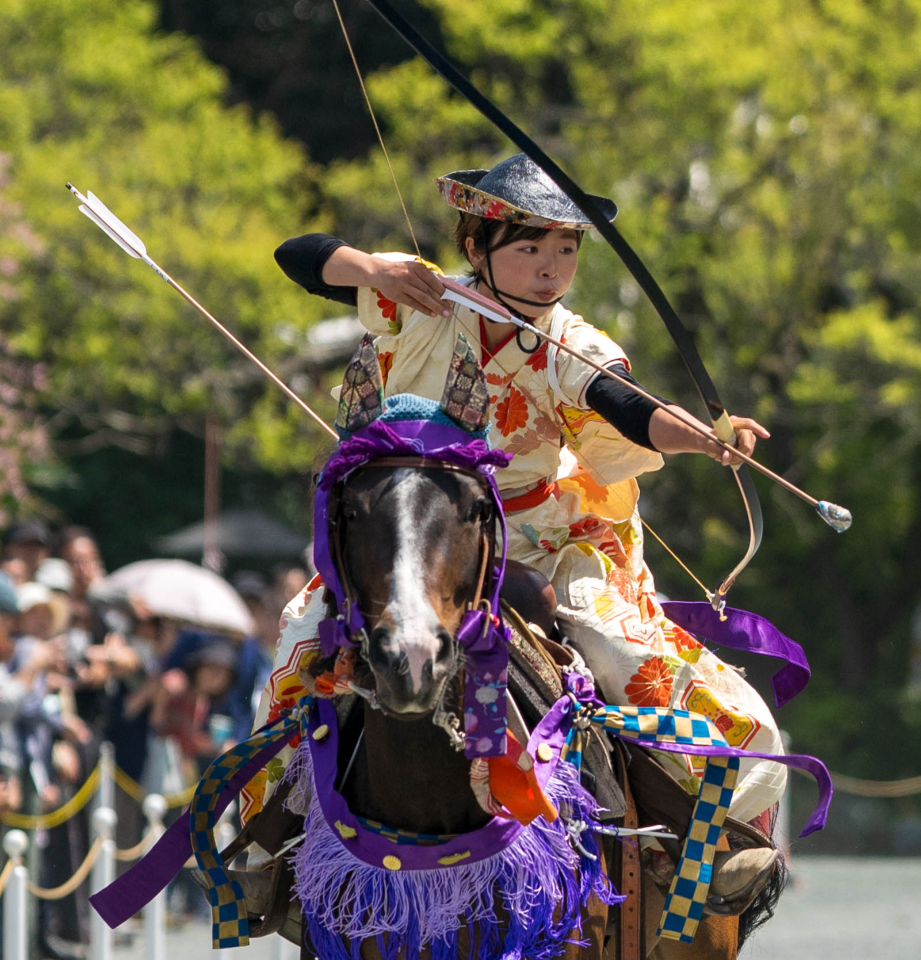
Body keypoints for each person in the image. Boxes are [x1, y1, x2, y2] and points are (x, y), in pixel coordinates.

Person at [255, 154, 785, 829]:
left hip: (534, 541)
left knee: (627, 656)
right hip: (406, 536)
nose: (550, 267)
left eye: (565, 248)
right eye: (529, 248)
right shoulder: (421, 295)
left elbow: (628, 406)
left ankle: (695, 840)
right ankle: (273, 837)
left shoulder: (569, 341)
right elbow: (296, 255)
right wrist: (371, 269)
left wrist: (704, 437)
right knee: (300, 645)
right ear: (476, 248)